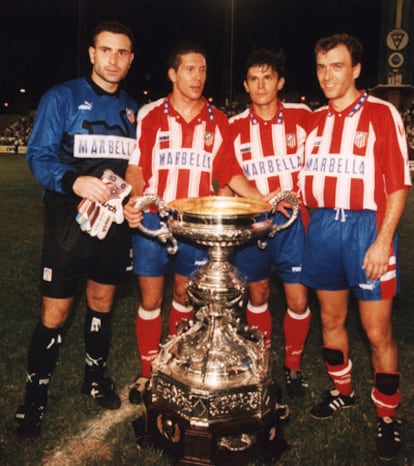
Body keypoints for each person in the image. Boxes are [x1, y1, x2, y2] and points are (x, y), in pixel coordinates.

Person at [124, 41, 277, 404]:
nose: (198, 77)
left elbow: (229, 171)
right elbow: (136, 167)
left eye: (203, 70)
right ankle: (148, 373)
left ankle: (176, 364)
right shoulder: (150, 114)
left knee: (183, 294)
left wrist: (260, 201)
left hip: (193, 226)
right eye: (190, 69)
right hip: (152, 220)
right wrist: (134, 198)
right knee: (150, 299)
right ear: (173, 74)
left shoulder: (217, 120)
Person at [15, 21, 138, 437]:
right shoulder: (62, 97)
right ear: (92, 53)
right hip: (69, 220)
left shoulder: (133, 110)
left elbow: (136, 171)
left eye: (122, 53)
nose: (114, 59)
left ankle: (95, 376)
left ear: (131, 59)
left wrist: (134, 200)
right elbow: (39, 154)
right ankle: (35, 395)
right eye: (107, 50)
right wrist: (73, 180)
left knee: (102, 301)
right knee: (56, 312)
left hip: (113, 223)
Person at [299, 33, 411, 460]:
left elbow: (398, 185)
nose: (328, 76)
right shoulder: (314, 121)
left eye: (338, 66)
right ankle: (341, 389)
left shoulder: (383, 114)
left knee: (377, 330)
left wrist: (382, 241)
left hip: (367, 228)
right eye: (322, 67)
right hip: (324, 226)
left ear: (357, 69)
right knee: (330, 319)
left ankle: (388, 415)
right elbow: (305, 183)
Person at [221, 48, 312, 398]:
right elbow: (226, 174)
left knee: (298, 300)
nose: (261, 85)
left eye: (268, 77)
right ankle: (262, 360)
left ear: (280, 82)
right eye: (254, 78)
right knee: (257, 294)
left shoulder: (304, 118)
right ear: (246, 84)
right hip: (254, 227)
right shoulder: (234, 127)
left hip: (295, 225)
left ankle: (293, 367)